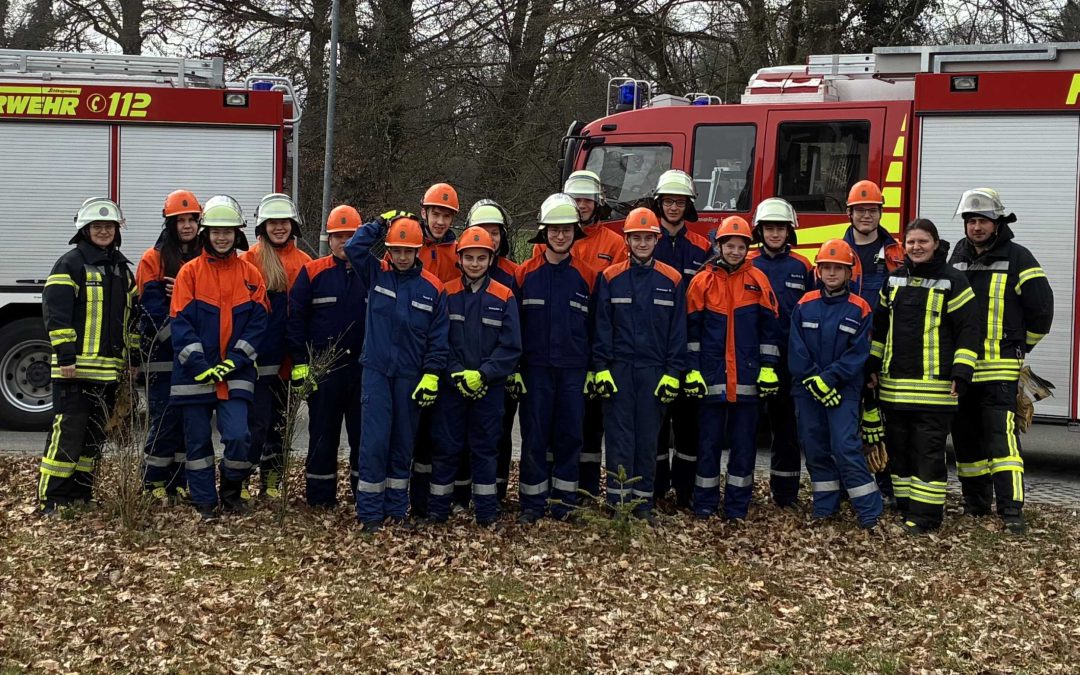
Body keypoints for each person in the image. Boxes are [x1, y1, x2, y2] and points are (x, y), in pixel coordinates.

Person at [949, 189, 1054, 535]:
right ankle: (976, 505)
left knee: (1002, 442)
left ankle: (1011, 511)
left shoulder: (1019, 258)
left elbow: (1042, 311)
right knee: (966, 441)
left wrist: (1021, 348)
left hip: (1000, 370)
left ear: (997, 223)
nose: (976, 227)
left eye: (983, 221)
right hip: (963, 372)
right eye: (971, 221)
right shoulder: (956, 257)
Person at [867, 219, 978, 534]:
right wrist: (872, 366)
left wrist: (962, 371)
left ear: (935, 243)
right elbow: (880, 329)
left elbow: (969, 331)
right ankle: (906, 510)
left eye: (922, 242)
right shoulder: (894, 281)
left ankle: (926, 518)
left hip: (935, 390)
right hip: (895, 390)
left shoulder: (954, 281)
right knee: (899, 453)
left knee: (927, 453)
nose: (916, 247)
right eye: (911, 242)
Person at [346, 212, 449, 532]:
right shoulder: (377, 274)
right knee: (374, 443)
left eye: (408, 250)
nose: (402, 256)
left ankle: (396, 510)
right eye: (396, 250)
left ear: (419, 251)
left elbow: (438, 337)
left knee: (402, 444)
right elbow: (353, 247)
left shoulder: (433, 288)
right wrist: (379, 223)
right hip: (376, 371)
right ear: (388, 250)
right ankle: (370, 515)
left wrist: (432, 373)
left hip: (410, 376)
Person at [170, 196, 269, 520]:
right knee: (197, 442)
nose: (222, 237)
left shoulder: (251, 274)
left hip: (235, 373)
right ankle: (205, 502)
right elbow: (180, 323)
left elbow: (258, 324)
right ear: (206, 234)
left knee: (239, 436)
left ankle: (230, 490)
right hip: (194, 374)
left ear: (237, 234)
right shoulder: (190, 274)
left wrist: (234, 361)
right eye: (216, 231)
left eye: (228, 231)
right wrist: (201, 366)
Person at [38, 198, 139, 514]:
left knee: (93, 440)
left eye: (109, 227)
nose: (104, 231)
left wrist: (132, 358)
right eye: (97, 226)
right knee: (68, 436)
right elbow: (56, 314)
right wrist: (66, 357)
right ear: (85, 229)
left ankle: (80, 495)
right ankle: (53, 499)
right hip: (75, 371)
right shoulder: (69, 264)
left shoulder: (123, 271)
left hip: (108, 374)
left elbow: (132, 319)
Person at [532, 170, 627, 497]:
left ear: (598, 202)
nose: (583, 204)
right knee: (542, 430)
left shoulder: (614, 244)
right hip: (545, 357)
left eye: (588, 199)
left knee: (584, 430)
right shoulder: (537, 258)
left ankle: (581, 493)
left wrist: (598, 363)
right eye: (577, 199)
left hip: (584, 354)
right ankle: (538, 496)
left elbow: (609, 308)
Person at [591, 208, 686, 523]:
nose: (642, 243)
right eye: (636, 237)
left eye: (648, 237)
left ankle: (642, 507)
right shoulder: (609, 277)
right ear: (627, 240)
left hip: (654, 371)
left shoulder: (671, 280)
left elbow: (678, 332)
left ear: (656, 240)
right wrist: (600, 366)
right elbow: (602, 326)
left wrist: (674, 373)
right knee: (619, 439)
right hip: (618, 370)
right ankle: (619, 506)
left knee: (647, 439)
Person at [686, 216, 780, 521]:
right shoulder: (702, 281)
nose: (736, 251)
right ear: (720, 245)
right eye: (730, 245)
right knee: (709, 446)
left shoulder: (759, 281)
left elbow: (770, 331)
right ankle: (704, 505)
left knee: (743, 448)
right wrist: (693, 369)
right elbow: (691, 333)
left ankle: (737, 508)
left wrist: (768, 367)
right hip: (711, 378)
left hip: (748, 380)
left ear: (748, 247)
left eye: (741, 246)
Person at [427, 226, 522, 526]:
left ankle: (485, 513)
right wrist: (456, 374)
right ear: (460, 259)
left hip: (489, 391)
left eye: (482, 258)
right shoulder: (447, 292)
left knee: (484, 450)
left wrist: (483, 375)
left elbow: (511, 347)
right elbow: (439, 339)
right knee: (446, 449)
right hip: (451, 389)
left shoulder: (504, 296)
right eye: (469, 257)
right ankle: (438, 512)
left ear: (491, 259)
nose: (475, 263)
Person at [514, 193, 598, 523]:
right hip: (535, 370)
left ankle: (565, 502)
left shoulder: (589, 276)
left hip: (574, 370)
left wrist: (593, 369)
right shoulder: (524, 274)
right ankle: (532, 504)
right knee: (534, 436)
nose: (560, 236)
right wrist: (515, 369)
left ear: (575, 233)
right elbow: (514, 328)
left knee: (570, 435)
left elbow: (596, 328)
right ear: (544, 232)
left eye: (566, 230)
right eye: (553, 230)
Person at [788, 239, 881, 527]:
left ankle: (869, 512)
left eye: (838, 268)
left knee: (845, 447)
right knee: (815, 448)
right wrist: (814, 380)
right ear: (817, 272)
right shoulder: (804, 304)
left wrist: (828, 380)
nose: (831, 273)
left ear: (849, 273)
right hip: (807, 391)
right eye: (826, 267)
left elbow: (859, 354)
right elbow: (796, 347)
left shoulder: (860, 308)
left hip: (843, 391)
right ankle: (825, 508)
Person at [287, 205, 368, 507]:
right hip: (324, 370)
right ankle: (320, 500)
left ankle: (364, 497)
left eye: (352, 236)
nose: (345, 243)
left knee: (363, 439)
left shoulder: (374, 271)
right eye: (339, 236)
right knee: (322, 438)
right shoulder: (312, 272)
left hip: (362, 370)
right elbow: (296, 318)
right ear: (328, 238)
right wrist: (300, 364)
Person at [240, 193, 312, 500]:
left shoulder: (306, 263)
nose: (279, 227)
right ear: (262, 226)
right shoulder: (248, 260)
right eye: (273, 223)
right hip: (255, 364)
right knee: (252, 428)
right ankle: (240, 482)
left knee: (279, 429)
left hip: (288, 365)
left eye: (283, 222)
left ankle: (271, 484)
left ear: (293, 226)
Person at [649, 169, 711, 509]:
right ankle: (656, 489)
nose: (674, 207)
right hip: (655, 346)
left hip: (691, 346)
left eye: (680, 202)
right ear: (659, 203)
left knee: (689, 426)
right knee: (657, 425)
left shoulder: (702, 247)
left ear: (689, 206)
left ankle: (685, 492)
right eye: (669, 201)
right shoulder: (646, 239)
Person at [137, 190, 201, 502]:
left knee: (189, 427)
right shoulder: (154, 259)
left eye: (192, 219)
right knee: (163, 423)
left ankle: (179, 483)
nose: (187, 225)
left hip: (193, 358)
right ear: (170, 223)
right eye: (181, 220)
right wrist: (183, 342)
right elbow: (151, 311)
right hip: (164, 357)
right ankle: (152, 484)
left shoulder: (205, 257)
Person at [748, 197, 812, 508]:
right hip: (750, 358)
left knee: (786, 429)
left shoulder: (802, 267)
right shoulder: (748, 264)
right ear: (759, 232)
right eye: (769, 228)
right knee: (745, 429)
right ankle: (741, 490)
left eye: (780, 228)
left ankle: (785, 495)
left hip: (788, 362)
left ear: (790, 232)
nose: (775, 234)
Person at [842, 179, 904, 503]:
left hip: (885, 353)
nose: (867, 215)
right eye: (860, 210)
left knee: (884, 424)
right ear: (849, 213)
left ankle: (888, 488)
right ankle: (850, 488)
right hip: (846, 353)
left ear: (881, 212)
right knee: (847, 425)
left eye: (872, 210)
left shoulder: (897, 254)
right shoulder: (836, 252)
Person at [411, 183, 461, 516]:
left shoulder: (458, 251)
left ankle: (440, 503)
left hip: (447, 350)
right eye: (436, 213)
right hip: (412, 350)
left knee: (442, 434)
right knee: (412, 434)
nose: (440, 221)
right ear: (424, 211)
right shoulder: (406, 245)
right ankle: (414, 501)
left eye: (447, 215)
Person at [466, 200, 520, 502]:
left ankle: (494, 495)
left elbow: (522, 328)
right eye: (483, 230)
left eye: (495, 232)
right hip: (465, 373)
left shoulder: (515, 274)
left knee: (498, 435)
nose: (490, 237)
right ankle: (463, 494)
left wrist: (515, 369)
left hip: (501, 374)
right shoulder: (460, 267)